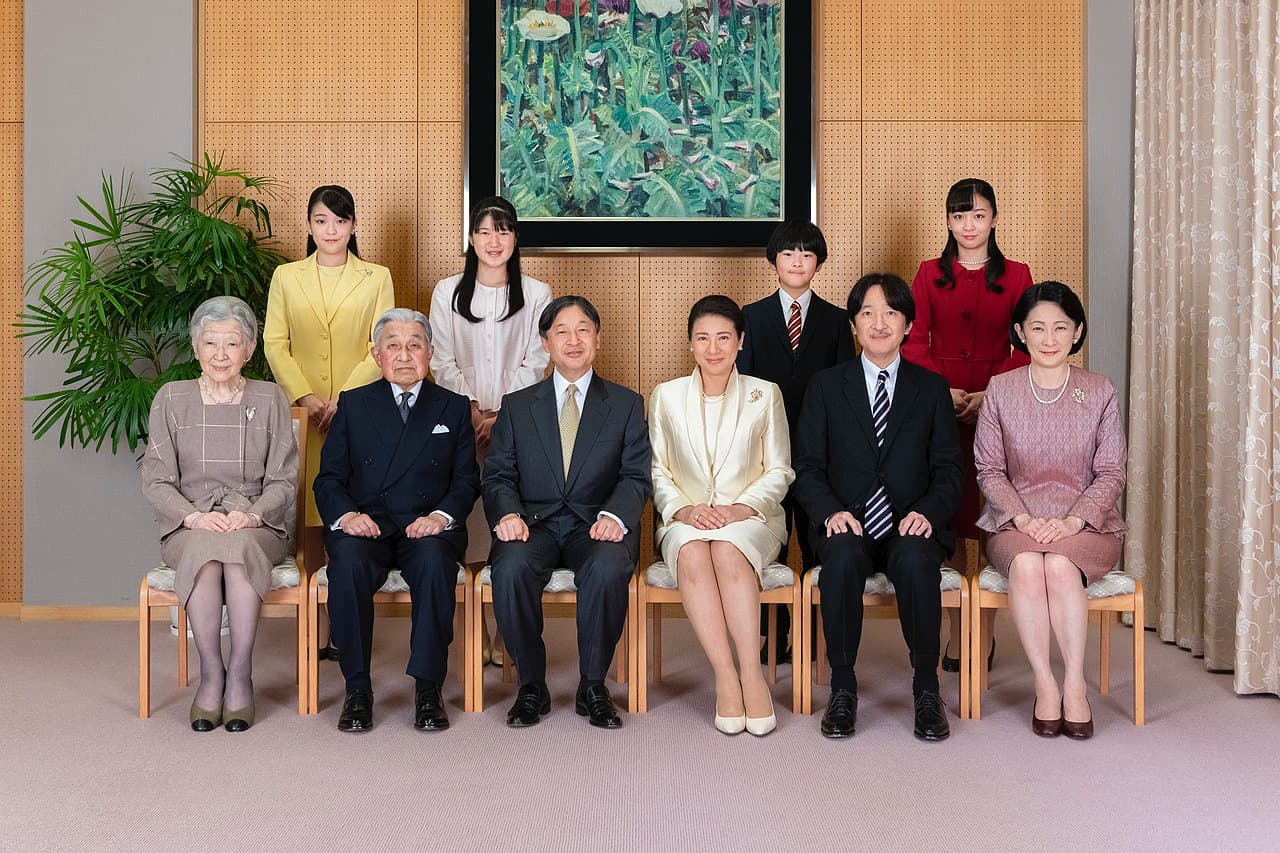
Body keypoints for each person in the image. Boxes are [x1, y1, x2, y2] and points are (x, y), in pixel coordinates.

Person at [794, 273, 963, 741]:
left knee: (913, 561)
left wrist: (928, 512)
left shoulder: (930, 388)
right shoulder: (826, 386)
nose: (879, 322)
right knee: (843, 558)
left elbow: (950, 470)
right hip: (847, 518)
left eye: (891, 313)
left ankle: (926, 688)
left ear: (908, 324)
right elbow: (806, 467)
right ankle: (843, 687)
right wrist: (830, 512)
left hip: (911, 520)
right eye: (867, 313)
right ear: (854, 325)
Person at [483, 295, 651, 729]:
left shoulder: (626, 404)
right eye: (562, 331)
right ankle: (531, 685)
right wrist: (507, 514)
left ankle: (592, 685)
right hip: (532, 524)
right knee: (511, 567)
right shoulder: (518, 405)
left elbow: (635, 476)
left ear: (598, 339)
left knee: (609, 567)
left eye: (583, 330)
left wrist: (614, 518)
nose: (573, 340)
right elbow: (498, 474)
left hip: (595, 525)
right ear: (545, 342)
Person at [313, 308, 480, 732]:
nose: (404, 355)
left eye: (414, 345)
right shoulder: (353, 404)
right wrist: (347, 515)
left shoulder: (455, 407)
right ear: (376, 355)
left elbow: (465, 481)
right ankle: (357, 688)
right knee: (347, 565)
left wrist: (441, 517)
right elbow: (328, 479)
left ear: (430, 352)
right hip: (365, 524)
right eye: (393, 346)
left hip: (426, 526)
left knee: (433, 565)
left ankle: (428, 689)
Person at [974, 282, 1126, 740]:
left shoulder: (1098, 391)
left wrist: (1071, 521)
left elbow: (1112, 472)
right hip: (1013, 520)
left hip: (1087, 523)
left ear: (1077, 331)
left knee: (1059, 566)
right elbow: (988, 468)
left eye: (1061, 327)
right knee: (1026, 567)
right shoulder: (1000, 390)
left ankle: (1075, 682)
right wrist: (1023, 519)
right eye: (1037, 328)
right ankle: (1045, 683)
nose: (1049, 338)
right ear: (1020, 332)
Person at [140, 296, 298, 732]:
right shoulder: (170, 399)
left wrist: (251, 515)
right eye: (211, 343)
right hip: (190, 524)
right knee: (208, 553)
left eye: (232, 344)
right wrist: (192, 517)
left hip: (256, 524)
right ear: (196, 347)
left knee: (238, 546)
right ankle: (212, 675)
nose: (221, 354)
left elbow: (284, 481)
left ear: (249, 350)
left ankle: (241, 673)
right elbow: (155, 480)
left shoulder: (270, 398)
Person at [902, 178, 1034, 673]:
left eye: (978, 215)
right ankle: (957, 633)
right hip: (941, 405)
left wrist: (991, 393)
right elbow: (911, 340)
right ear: (949, 222)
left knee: (998, 514)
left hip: (1002, 402)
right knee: (951, 518)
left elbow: (1026, 342)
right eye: (959, 216)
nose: (969, 225)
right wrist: (943, 391)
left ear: (994, 219)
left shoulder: (1018, 275)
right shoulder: (928, 274)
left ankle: (987, 633)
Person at [651, 296, 794, 736]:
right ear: (690, 344)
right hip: (684, 519)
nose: (714, 349)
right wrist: (685, 509)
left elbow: (780, 469)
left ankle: (752, 674)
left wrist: (739, 508)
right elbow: (658, 469)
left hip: (752, 518)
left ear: (740, 342)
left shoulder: (764, 394)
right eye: (703, 339)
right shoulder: (666, 396)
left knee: (729, 552)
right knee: (694, 554)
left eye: (724, 338)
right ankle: (726, 676)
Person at [264, 185, 394, 659]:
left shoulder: (376, 277)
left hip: (358, 411)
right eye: (321, 221)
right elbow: (275, 343)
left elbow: (379, 343)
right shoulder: (286, 276)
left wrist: (342, 399)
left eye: (340, 221)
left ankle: (346, 629)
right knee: (311, 522)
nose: (331, 230)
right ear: (309, 226)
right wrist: (309, 398)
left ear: (354, 225)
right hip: (303, 414)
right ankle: (314, 628)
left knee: (353, 513)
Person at [430, 195, 552, 666]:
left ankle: (506, 630)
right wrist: (474, 412)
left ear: (516, 237)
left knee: (512, 521)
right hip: (459, 422)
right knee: (468, 522)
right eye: (484, 231)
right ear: (471, 238)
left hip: (519, 423)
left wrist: (502, 415)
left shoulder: (537, 293)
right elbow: (440, 358)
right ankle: (475, 629)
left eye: (502, 230)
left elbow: (538, 358)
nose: (493, 240)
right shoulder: (448, 291)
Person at [737, 220, 855, 662]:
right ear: (773, 262)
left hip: (817, 450)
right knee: (772, 538)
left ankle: (812, 633)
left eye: (807, 254)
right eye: (788, 254)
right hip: (765, 448)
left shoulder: (838, 320)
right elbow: (743, 386)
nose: (797, 261)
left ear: (819, 264)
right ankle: (775, 635)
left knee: (813, 538)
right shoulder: (750, 317)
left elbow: (845, 390)